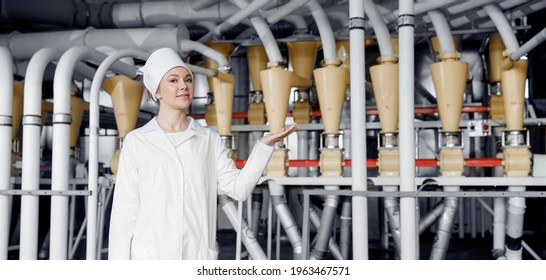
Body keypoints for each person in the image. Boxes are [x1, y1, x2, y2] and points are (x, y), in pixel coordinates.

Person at [108, 48, 297, 260]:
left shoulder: (208, 139)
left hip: (197, 256)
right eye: (173, 80)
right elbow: (124, 214)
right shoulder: (138, 142)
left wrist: (263, 146)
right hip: (150, 258)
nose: (183, 86)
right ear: (156, 92)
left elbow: (238, 189)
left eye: (188, 79)